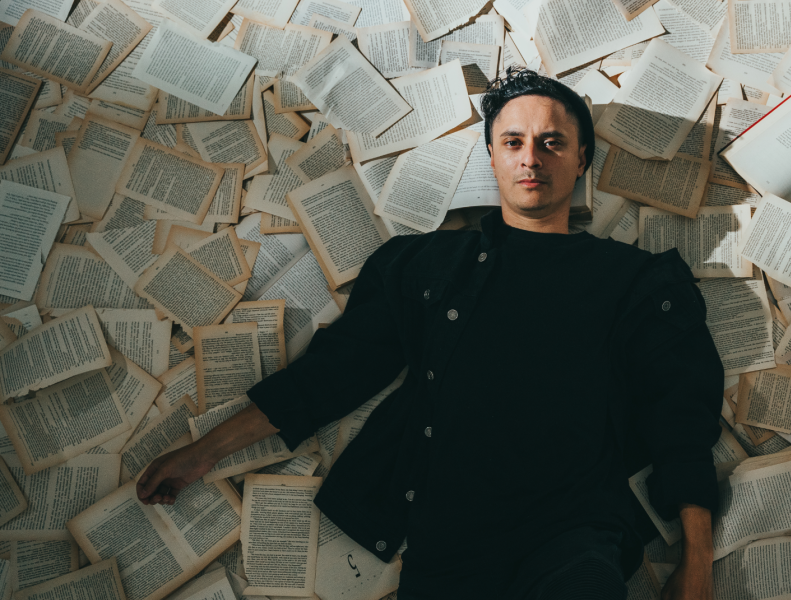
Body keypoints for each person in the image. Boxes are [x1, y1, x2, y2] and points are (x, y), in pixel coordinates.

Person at [136, 67, 724, 600]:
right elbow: (332, 376)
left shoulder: (635, 282)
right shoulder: (425, 266)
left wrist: (697, 561)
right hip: (447, 542)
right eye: (513, 142)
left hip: (574, 538)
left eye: (552, 143)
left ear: (580, 158)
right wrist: (201, 454)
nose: (531, 158)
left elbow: (680, 414)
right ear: (491, 155)